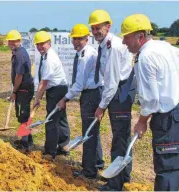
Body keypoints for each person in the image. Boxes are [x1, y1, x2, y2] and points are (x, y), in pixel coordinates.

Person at [121, 14, 179, 191]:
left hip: (169, 116)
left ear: (140, 36)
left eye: (126, 37)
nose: (123, 42)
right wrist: (170, 79)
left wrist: (142, 122)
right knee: (171, 165)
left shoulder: (145, 58)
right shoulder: (162, 46)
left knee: (166, 167)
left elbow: (150, 100)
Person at [88, 10, 134, 191]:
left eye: (98, 28)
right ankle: (124, 177)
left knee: (119, 139)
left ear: (108, 26)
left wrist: (101, 107)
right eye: (93, 28)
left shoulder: (113, 46)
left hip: (120, 92)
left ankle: (116, 184)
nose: (95, 31)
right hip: (116, 91)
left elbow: (112, 82)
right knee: (121, 137)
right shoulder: (104, 45)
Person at [56, 24, 105, 178]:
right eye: (74, 39)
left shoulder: (86, 56)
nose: (76, 42)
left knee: (88, 133)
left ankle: (89, 171)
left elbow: (79, 84)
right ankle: (97, 162)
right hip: (93, 93)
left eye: (79, 39)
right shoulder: (85, 53)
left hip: (91, 95)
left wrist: (65, 99)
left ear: (87, 38)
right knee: (93, 130)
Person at [31, 31, 70, 158]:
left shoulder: (49, 59)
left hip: (57, 90)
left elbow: (44, 82)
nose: (40, 47)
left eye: (42, 44)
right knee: (61, 117)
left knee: (51, 120)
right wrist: (40, 95)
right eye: (38, 44)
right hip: (58, 88)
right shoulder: (46, 55)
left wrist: (36, 98)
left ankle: (50, 152)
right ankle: (63, 145)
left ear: (49, 43)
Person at [6, 30, 34, 152]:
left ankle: (25, 143)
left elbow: (19, 76)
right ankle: (27, 138)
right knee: (22, 114)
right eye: (10, 41)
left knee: (24, 115)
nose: (12, 43)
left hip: (24, 89)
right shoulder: (16, 52)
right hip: (21, 89)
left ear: (19, 41)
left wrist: (14, 91)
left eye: (14, 41)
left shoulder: (20, 55)